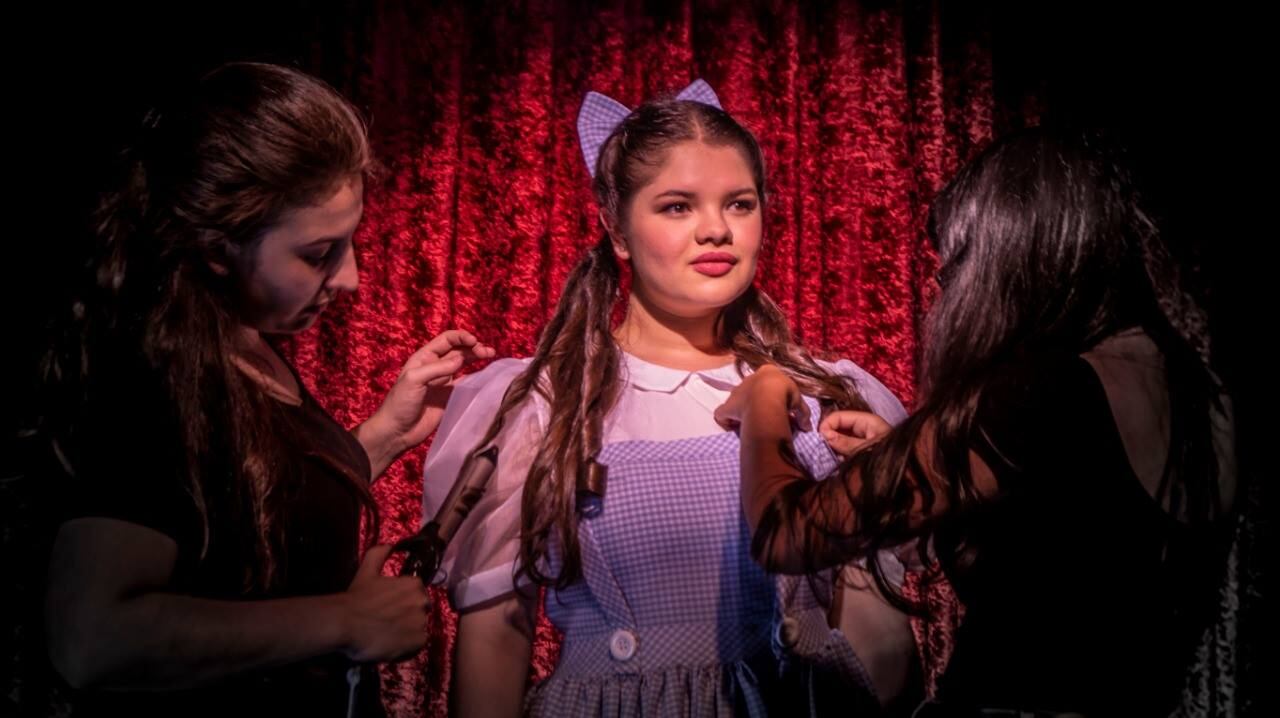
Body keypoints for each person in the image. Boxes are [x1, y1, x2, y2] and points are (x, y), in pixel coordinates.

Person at [423, 80, 915, 717]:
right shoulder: (550, 405)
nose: (716, 229)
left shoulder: (829, 393)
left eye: (739, 204)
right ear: (617, 230)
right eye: (677, 206)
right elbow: (497, 637)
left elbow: (884, 656)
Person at [719, 127, 1238, 717]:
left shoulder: (1037, 395)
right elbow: (1085, 547)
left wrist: (764, 401)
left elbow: (786, 533)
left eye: (955, 267)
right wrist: (912, 456)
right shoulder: (1202, 391)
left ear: (1005, 255)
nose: (946, 289)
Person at [40, 61, 493, 717]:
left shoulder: (245, 345)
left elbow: (255, 508)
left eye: (350, 244)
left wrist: (383, 434)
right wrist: (345, 620)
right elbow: (93, 637)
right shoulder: (150, 379)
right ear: (217, 247)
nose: (351, 279)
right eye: (318, 253)